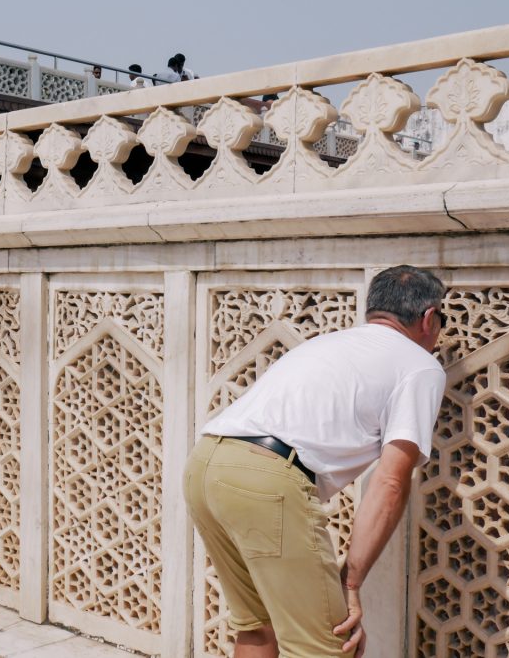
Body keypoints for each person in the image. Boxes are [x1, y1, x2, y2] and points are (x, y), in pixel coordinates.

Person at [184, 265, 447, 657]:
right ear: (428, 318)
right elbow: (392, 481)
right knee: (328, 645)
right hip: (265, 480)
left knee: (258, 627)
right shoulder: (419, 364)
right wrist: (351, 584)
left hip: (206, 463)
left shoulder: (330, 341)